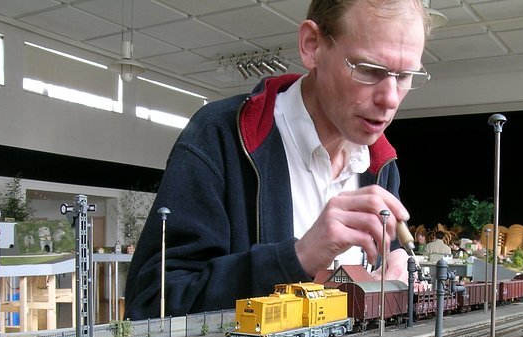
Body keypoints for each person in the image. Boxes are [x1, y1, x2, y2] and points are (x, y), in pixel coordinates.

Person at [124, 0, 431, 320]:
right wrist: (295, 259)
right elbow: (149, 302)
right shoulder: (219, 136)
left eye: (405, 75)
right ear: (312, 46)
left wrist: (394, 268)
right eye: (368, 70)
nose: (390, 99)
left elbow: (380, 270)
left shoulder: (382, 166)